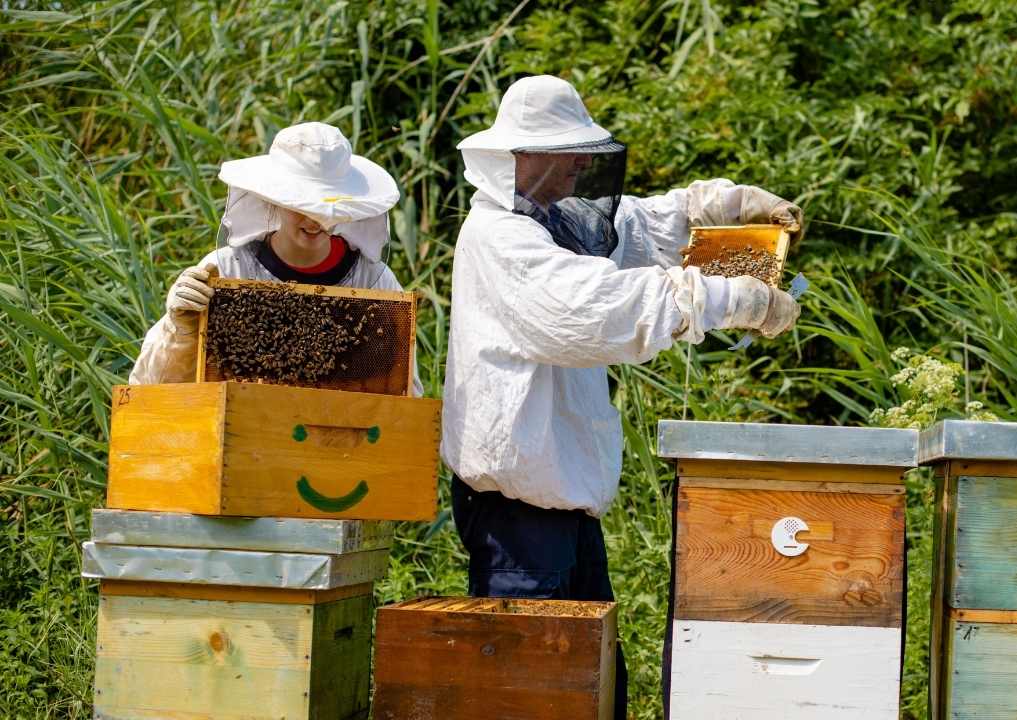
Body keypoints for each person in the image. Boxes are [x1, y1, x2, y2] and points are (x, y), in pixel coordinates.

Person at [442, 75, 803, 717]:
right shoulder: (503, 240)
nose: (583, 163)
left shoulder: (557, 220)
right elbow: (598, 306)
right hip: (517, 516)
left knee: (592, 690)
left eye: (585, 149)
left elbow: (638, 226)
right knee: (535, 694)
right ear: (520, 157)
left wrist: (714, 206)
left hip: (564, 506)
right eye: (568, 149)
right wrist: (728, 296)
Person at [129, 122, 421, 396]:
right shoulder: (227, 270)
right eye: (301, 204)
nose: (314, 219)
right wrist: (181, 330)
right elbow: (150, 392)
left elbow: (405, 398)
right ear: (274, 200)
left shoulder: (374, 281)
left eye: (327, 207)